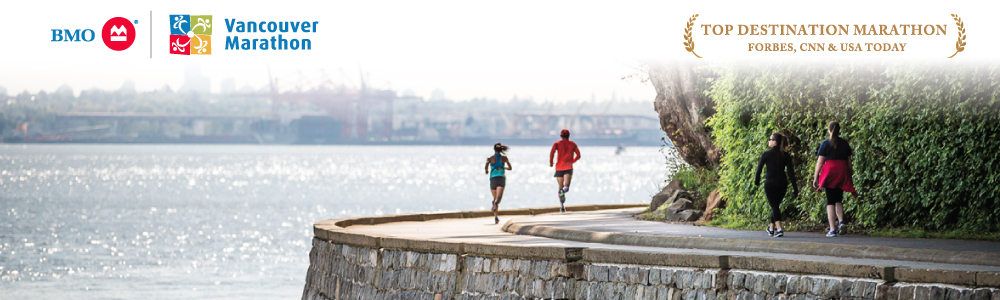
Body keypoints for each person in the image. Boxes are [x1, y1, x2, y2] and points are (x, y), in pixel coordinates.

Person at [812, 121, 857, 237]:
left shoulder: (825, 143)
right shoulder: (845, 143)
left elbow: (820, 161)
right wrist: (849, 175)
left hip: (830, 172)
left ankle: (832, 229)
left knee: (830, 201)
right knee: (838, 198)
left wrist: (816, 176)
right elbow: (849, 162)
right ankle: (841, 221)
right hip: (842, 171)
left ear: (829, 130)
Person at [754, 133, 799, 238]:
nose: (769, 141)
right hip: (782, 183)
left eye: (770, 139)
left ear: (775, 142)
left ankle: (779, 229)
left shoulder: (766, 154)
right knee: (775, 206)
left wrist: (756, 181)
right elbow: (791, 173)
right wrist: (795, 187)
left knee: (774, 206)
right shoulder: (785, 155)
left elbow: (758, 170)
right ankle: (771, 228)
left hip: (770, 183)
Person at [549, 129, 581, 212]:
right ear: (569, 136)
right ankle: (563, 191)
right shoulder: (573, 144)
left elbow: (552, 153)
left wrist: (551, 162)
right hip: (568, 167)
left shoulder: (556, 144)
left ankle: (561, 206)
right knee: (566, 186)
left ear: (561, 136)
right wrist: (572, 161)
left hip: (559, 167)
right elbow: (578, 155)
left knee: (560, 186)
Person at [485, 142, 512, 224]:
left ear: (494, 149)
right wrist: (504, 167)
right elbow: (510, 168)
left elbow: (486, 165)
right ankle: (495, 205)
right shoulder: (504, 157)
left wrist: (486, 170)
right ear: (501, 150)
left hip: (493, 179)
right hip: (501, 179)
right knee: (498, 199)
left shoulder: (490, 157)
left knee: (495, 199)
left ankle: (496, 217)